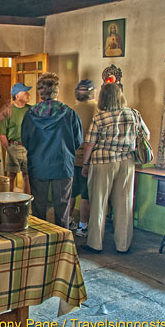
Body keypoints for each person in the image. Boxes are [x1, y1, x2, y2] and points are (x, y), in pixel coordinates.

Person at [81, 82, 149, 253]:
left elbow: (90, 142)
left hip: (103, 161)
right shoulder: (133, 113)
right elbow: (146, 134)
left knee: (99, 202)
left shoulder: (100, 117)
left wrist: (85, 163)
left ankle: (95, 243)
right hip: (127, 161)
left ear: (103, 97)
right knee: (124, 203)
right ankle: (123, 244)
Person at [21, 72, 83, 227]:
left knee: (39, 207)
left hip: (38, 164)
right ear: (57, 90)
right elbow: (78, 140)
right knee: (63, 209)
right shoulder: (69, 113)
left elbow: (25, 140)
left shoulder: (30, 114)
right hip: (63, 164)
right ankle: (62, 245)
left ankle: (41, 243)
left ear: (39, 92)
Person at [63, 79, 98, 237]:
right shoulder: (98, 109)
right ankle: (83, 226)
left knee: (70, 193)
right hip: (89, 158)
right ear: (93, 92)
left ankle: (67, 221)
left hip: (71, 157)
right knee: (86, 195)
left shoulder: (70, 110)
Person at [0, 82, 32, 193]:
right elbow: (2, 134)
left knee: (28, 177)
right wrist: (8, 149)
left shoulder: (31, 110)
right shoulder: (9, 111)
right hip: (13, 147)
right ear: (17, 96)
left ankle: (28, 204)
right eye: (25, 92)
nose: (28, 94)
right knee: (11, 177)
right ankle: (10, 202)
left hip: (28, 148)